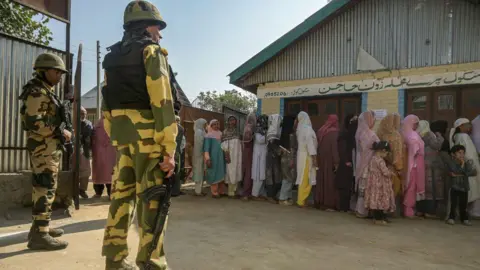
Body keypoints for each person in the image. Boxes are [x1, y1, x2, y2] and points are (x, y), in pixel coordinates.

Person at [101, 1, 177, 269]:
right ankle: (151, 262)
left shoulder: (111, 57)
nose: (160, 33)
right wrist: (170, 149)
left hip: (123, 139)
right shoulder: (152, 52)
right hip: (149, 139)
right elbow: (162, 102)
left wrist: (117, 135)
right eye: (158, 26)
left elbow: (106, 103)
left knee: (121, 197)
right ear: (147, 25)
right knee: (154, 200)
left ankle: (114, 257)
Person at [19, 53, 70, 250]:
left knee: (47, 188)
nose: (59, 76)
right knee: (44, 189)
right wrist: (60, 131)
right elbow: (33, 122)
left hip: (48, 148)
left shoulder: (45, 90)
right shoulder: (37, 92)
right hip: (43, 149)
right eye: (57, 71)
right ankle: (40, 235)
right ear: (44, 70)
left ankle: (40, 227)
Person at [449, 118, 480, 218]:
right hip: (468, 167)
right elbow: (468, 154)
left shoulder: (458, 136)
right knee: (470, 190)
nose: (469, 127)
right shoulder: (463, 136)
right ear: (461, 126)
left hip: (463, 167)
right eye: (467, 124)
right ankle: (468, 213)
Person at [415, 120, 445, 218]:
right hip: (432, 165)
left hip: (422, 164)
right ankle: (430, 211)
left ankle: (420, 210)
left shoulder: (417, 135)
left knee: (422, 188)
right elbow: (437, 145)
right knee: (432, 189)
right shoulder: (429, 134)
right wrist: (440, 137)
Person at [376, 113, 404, 215]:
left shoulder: (380, 133)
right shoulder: (396, 135)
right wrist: (399, 169)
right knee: (393, 189)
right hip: (393, 168)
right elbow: (397, 155)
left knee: (383, 190)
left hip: (382, 166)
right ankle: (389, 211)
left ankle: (381, 211)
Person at [354, 110, 379, 218]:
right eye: (373, 119)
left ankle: (359, 209)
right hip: (368, 163)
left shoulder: (360, 132)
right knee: (366, 186)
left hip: (361, 161)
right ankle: (363, 210)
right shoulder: (370, 133)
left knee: (361, 186)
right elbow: (377, 146)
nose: (374, 121)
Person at [364, 141, 395, 225]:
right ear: (383, 150)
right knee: (380, 201)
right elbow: (385, 172)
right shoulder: (380, 161)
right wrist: (391, 172)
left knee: (375, 200)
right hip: (380, 184)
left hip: (373, 184)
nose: (386, 155)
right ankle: (379, 219)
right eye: (387, 153)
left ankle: (376, 218)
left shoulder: (373, 159)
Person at [445, 145, 477, 226]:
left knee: (463, 204)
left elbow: (473, 172)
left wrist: (463, 172)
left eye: (463, 153)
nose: (462, 155)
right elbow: (454, 170)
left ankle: (464, 219)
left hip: (464, 186)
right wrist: (462, 166)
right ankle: (451, 218)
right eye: (459, 153)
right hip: (454, 186)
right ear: (453, 154)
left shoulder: (467, 162)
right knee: (453, 203)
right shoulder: (451, 162)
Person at [315, 114, 340, 211]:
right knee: (329, 182)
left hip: (321, 159)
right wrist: (336, 162)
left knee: (321, 180)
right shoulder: (334, 133)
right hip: (330, 161)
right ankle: (328, 204)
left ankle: (319, 201)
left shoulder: (321, 131)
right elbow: (334, 149)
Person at [402, 114, 425, 218]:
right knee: (411, 186)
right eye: (415, 123)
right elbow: (414, 149)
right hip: (414, 165)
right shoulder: (412, 135)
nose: (416, 125)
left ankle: (409, 208)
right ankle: (408, 209)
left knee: (410, 186)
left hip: (411, 163)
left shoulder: (406, 133)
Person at [295, 111, 318, 207]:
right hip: (307, 156)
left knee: (301, 177)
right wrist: (314, 158)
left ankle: (302, 199)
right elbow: (310, 145)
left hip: (301, 155)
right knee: (307, 178)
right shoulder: (308, 129)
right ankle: (301, 200)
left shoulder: (299, 129)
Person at [335, 114, 358, 212]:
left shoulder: (351, 134)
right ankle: (343, 207)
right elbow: (343, 150)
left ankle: (346, 207)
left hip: (350, 163)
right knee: (345, 186)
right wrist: (346, 161)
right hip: (345, 164)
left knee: (348, 186)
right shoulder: (344, 134)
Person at [92, 118, 116, 199]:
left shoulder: (98, 124)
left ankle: (101, 193)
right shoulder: (110, 123)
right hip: (105, 153)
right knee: (107, 174)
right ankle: (108, 193)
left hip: (103, 153)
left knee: (102, 174)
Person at [204, 119, 226, 198]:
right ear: (211, 125)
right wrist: (207, 159)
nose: (217, 126)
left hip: (221, 158)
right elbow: (206, 149)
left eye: (218, 124)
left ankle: (221, 191)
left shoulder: (221, 134)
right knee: (213, 173)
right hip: (213, 158)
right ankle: (214, 192)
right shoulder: (208, 135)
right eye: (214, 124)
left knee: (220, 173)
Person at [222, 116, 243, 198]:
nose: (233, 122)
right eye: (231, 120)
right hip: (230, 155)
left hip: (238, 155)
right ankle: (231, 193)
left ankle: (236, 191)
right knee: (230, 171)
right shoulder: (225, 132)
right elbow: (223, 144)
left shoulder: (238, 131)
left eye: (234, 120)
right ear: (228, 121)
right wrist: (226, 154)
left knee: (237, 170)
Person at [265, 114, 283, 203]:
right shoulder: (272, 132)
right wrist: (280, 151)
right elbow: (272, 146)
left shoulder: (277, 131)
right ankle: (270, 196)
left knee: (276, 176)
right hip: (271, 157)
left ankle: (273, 195)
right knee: (271, 175)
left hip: (275, 157)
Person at [252, 115, 269, 200]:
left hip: (262, 154)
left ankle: (260, 193)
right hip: (259, 155)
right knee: (258, 175)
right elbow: (260, 140)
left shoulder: (264, 130)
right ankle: (255, 194)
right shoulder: (258, 129)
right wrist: (268, 135)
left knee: (262, 174)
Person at [78, 106, 93, 199]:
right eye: (81, 113)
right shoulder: (73, 123)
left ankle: (82, 190)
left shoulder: (88, 124)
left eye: (84, 113)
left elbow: (89, 137)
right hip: (73, 151)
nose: (83, 115)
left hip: (85, 151)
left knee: (86, 172)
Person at [279, 128, 297, 206]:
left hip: (285, 159)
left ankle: (287, 197)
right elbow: (292, 148)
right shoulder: (291, 136)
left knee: (288, 178)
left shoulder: (283, 134)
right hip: (289, 159)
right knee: (287, 179)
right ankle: (282, 198)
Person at [241, 113, 256, 200]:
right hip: (248, 151)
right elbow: (247, 141)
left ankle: (247, 192)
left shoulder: (248, 127)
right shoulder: (249, 127)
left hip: (247, 151)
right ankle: (246, 193)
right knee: (248, 172)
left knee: (248, 172)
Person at [192, 118, 207, 196]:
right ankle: (197, 191)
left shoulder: (202, 131)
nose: (205, 125)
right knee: (198, 171)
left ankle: (200, 190)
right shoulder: (198, 132)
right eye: (204, 124)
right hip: (199, 155)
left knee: (201, 172)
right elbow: (199, 144)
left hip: (201, 155)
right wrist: (201, 153)